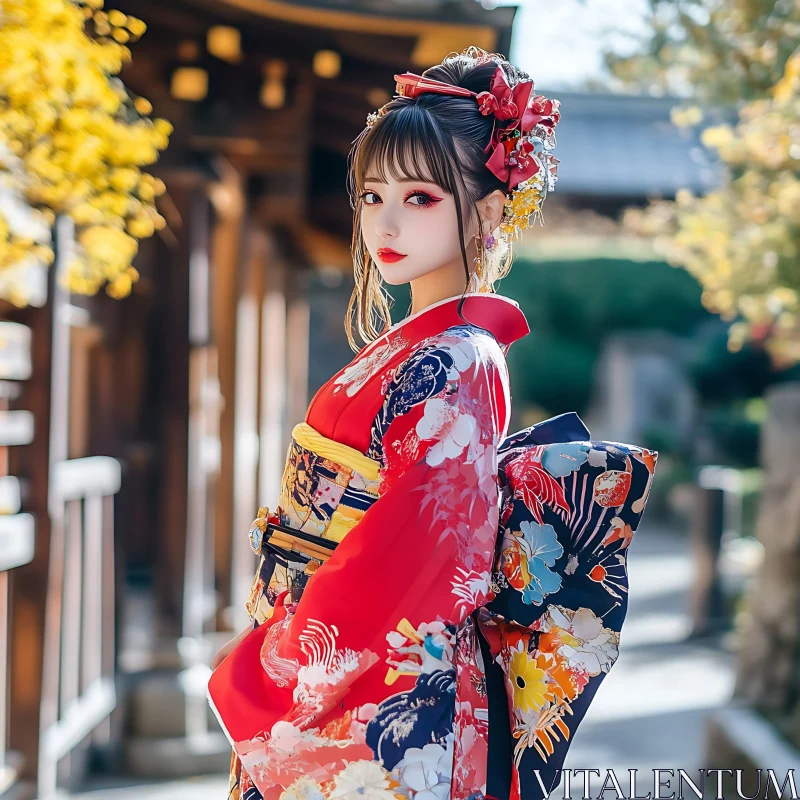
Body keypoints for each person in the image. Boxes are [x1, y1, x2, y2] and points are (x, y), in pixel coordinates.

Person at [207, 46, 657, 800]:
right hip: (341, 658)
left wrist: (281, 660)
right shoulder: (420, 348)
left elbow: (416, 552)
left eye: (419, 198)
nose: (385, 221)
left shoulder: (459, 359)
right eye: (372, 196)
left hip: (381, 683)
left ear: (484, 209)